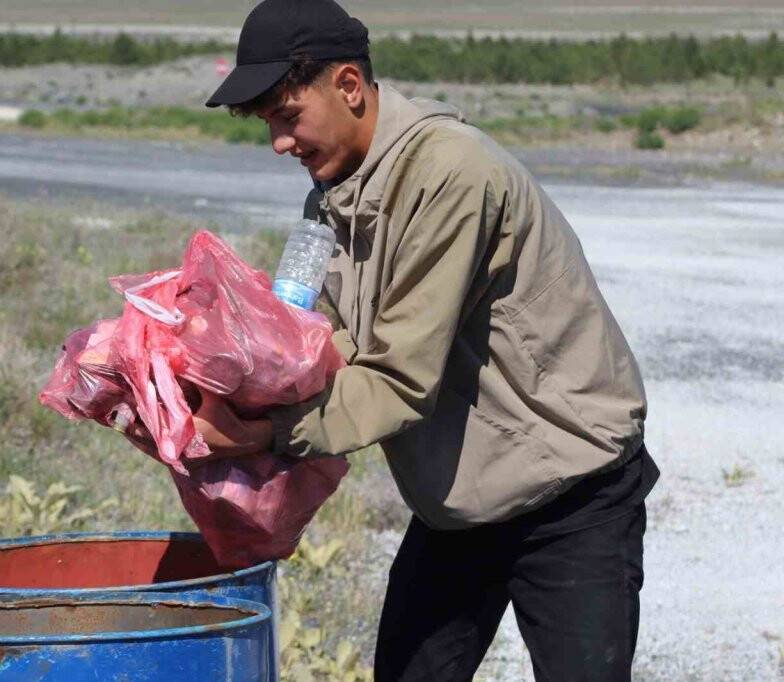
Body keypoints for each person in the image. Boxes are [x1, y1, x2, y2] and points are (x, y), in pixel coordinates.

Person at [196, 1, 659, 680]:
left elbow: (396, 379)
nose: (279, 143)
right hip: (462, 501)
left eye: (287, 116)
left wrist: (267, 434)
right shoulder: (332, 193)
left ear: (349, 85)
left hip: (572, 495)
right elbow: (341, 344)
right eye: (268, 123)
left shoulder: (451, 173)